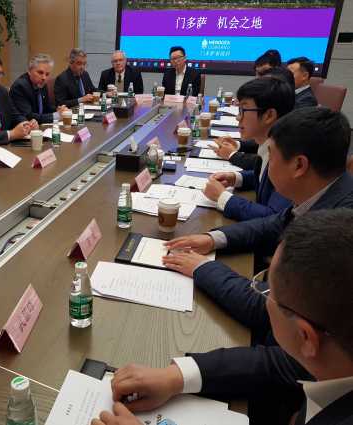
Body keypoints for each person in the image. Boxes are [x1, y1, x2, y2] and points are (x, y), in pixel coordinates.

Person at [93, 209, 353, 425]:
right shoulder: (334, 356)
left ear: (306, 337)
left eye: (268, 290)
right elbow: (280, 364)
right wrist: (176, 377)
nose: (261, 293)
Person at [161, 107, 352, 345]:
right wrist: (213, 239)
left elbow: (270, 311)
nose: (264, 164)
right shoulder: (330, 191)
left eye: (270, 156)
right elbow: (275, 224)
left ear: (299, 166)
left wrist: (203, 268)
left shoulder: (335, 232)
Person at [203, 77, 293, 221]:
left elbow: (275, 219)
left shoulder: (288, 158)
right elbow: (265, 179)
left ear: (269, 115)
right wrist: (236, 178)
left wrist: (222, 197)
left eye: (243, 110)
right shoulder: (269, 144)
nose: (238, 117)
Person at [9, 54, 70, 124]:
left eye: (47, 74)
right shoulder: (20, 87)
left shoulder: (42, 84)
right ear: (29, 71)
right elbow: (29, 116)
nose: (44, 78)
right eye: (40, 73)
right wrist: (56, 115)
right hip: (23, 127)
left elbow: (46, 107)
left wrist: (58, 110)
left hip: (39, 126)